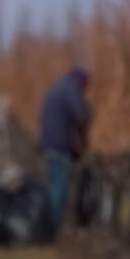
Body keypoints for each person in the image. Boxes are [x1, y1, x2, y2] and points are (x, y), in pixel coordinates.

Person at [39, 67, 91, 233]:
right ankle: (53, 226)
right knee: (60, 186)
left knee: (54, 183)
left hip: (48, 143)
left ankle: (50, 222)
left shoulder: (58, 87)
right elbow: (80, 114)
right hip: (60, 145)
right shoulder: (71, 89)